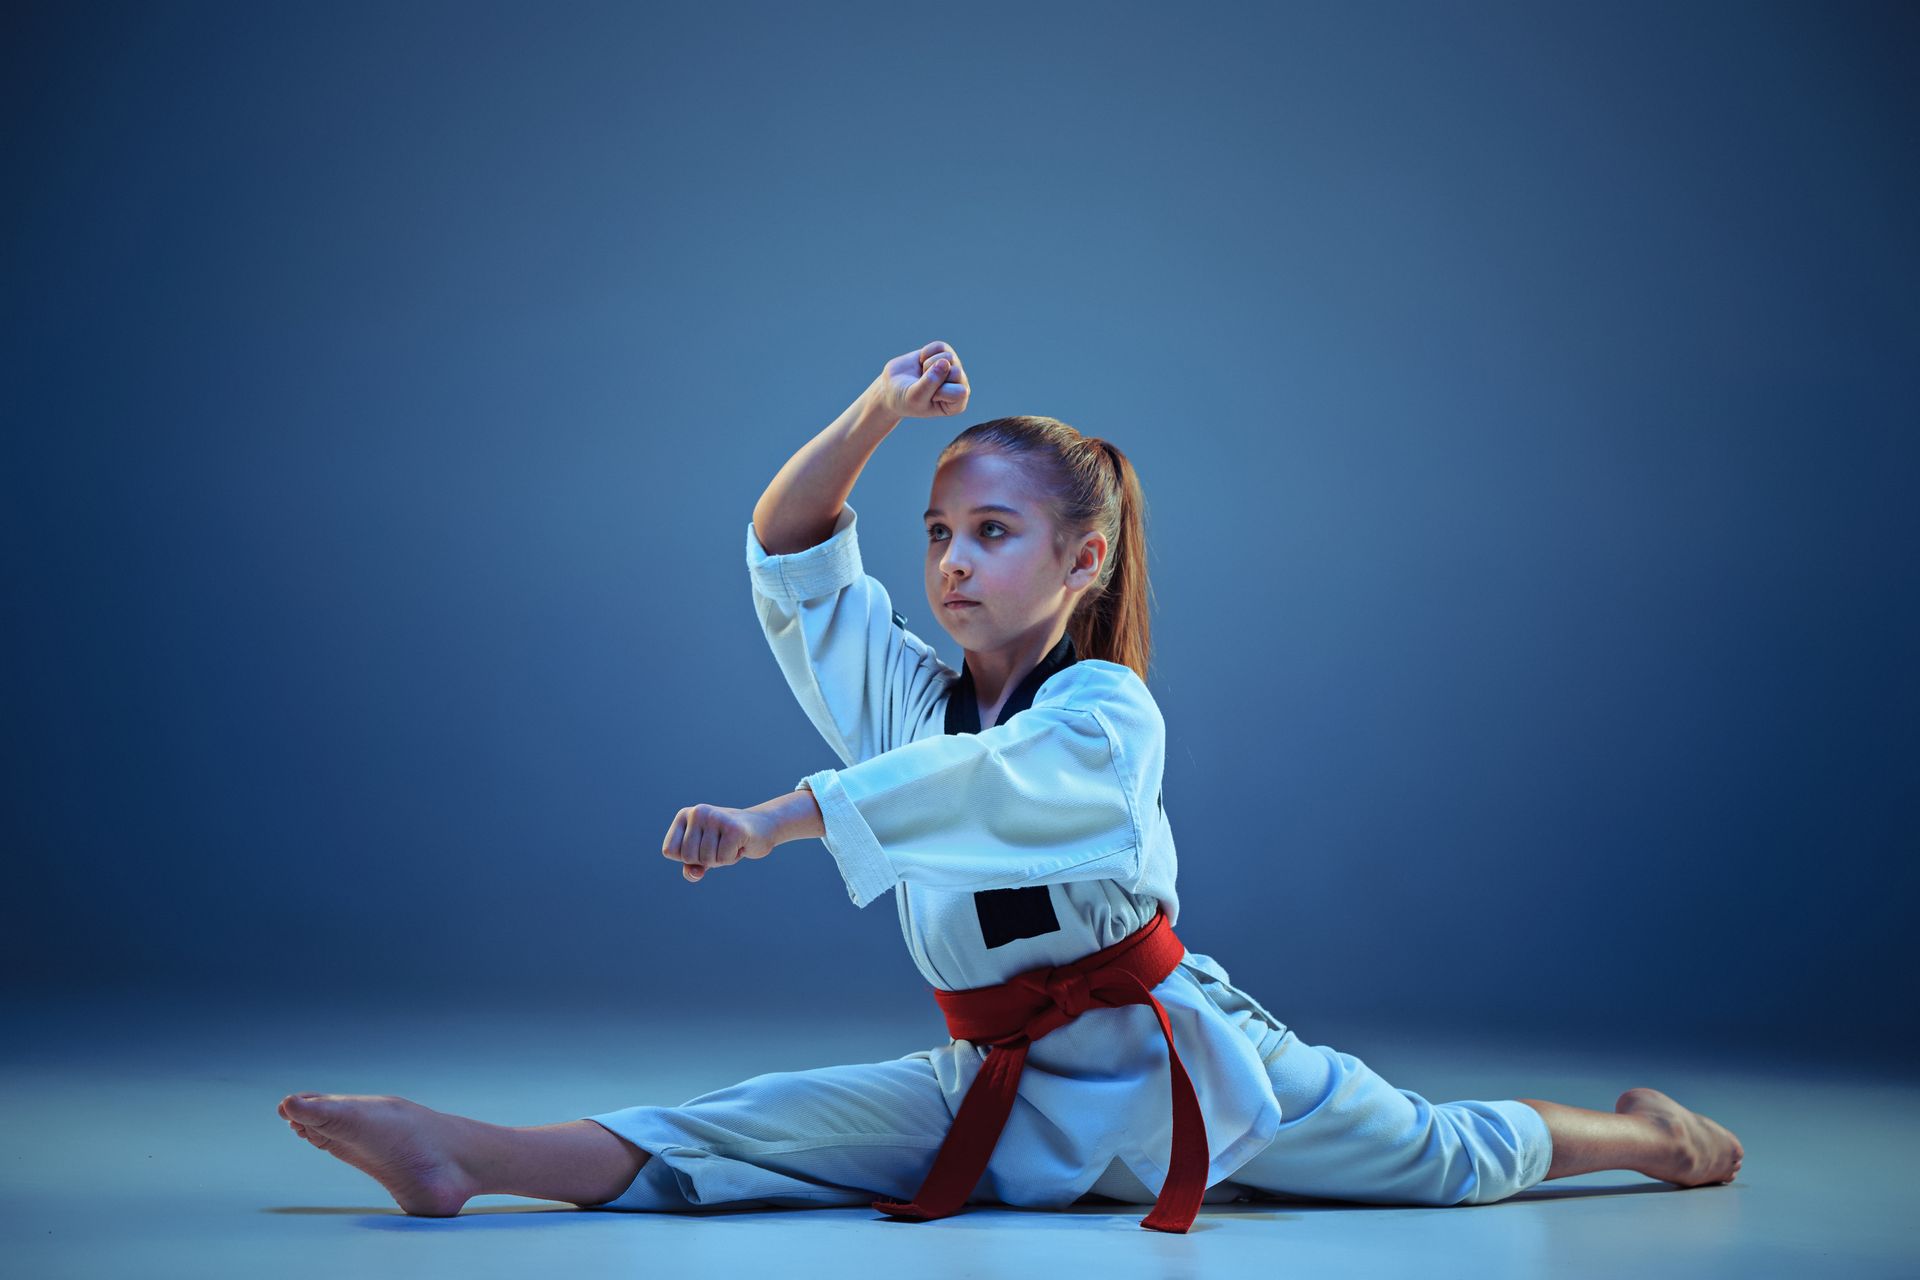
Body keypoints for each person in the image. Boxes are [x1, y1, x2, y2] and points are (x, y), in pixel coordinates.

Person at [277, 341, 1745, 1225]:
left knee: (1444, 1154)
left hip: (1196, 1076)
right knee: (752, 1125)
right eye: (939, 534)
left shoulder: (1104, 712)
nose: (954, 563)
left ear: (1081, 559)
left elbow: (993, 791)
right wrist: (870, 413)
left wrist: (784, 819)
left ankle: (1652, 1137)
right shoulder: (910, 695)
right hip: (1002, 1081)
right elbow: (793, 559)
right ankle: (457, 1151)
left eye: (992, 533)